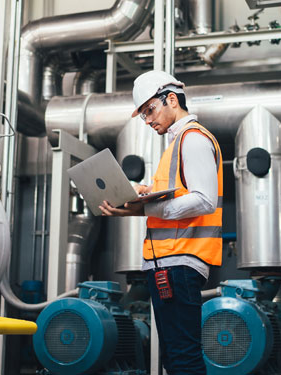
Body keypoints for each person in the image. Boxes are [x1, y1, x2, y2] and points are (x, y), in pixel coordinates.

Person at [99, 70, 223, 375]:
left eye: (150, 110)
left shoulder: (192, 139)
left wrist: (148, 209)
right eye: (143, 115)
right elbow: (175, 196)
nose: (148, 120)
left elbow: (205, 199)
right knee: (174, 356)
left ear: (171, 99)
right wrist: (141, 196)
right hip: (168, 263)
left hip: (180, 262)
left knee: (183, 359)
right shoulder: (177, 143)